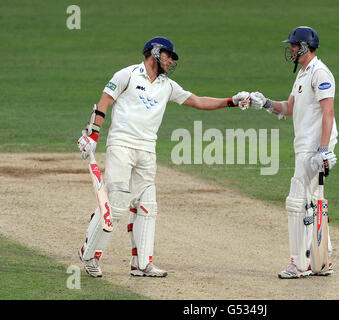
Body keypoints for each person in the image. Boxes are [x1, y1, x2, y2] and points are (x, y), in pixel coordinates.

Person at [77, 36, 250, 278]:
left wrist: (231, 102)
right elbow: (105, 100)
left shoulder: (167, 86)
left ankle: (141, 264)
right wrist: (93, 134)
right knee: (116, 205)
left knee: (147, 206)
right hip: (121, 145)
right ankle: (90, 255)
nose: (170, 61)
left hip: (147, 150)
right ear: (155, 53)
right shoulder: (127, 75)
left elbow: (198, 101)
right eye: (168, 56)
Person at [248, 26, 338, 278]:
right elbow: (288, 108)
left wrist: (323, 148)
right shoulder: (302, 75)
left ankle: (300, 265)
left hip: (315, 146)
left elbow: (328, 111)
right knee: (308, 202)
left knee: (297, 202)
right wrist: (265, 103)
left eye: (294, 46)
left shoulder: (319, 72)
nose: (290, 50)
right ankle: (322, 260)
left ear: (305, 47)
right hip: (305, 146)